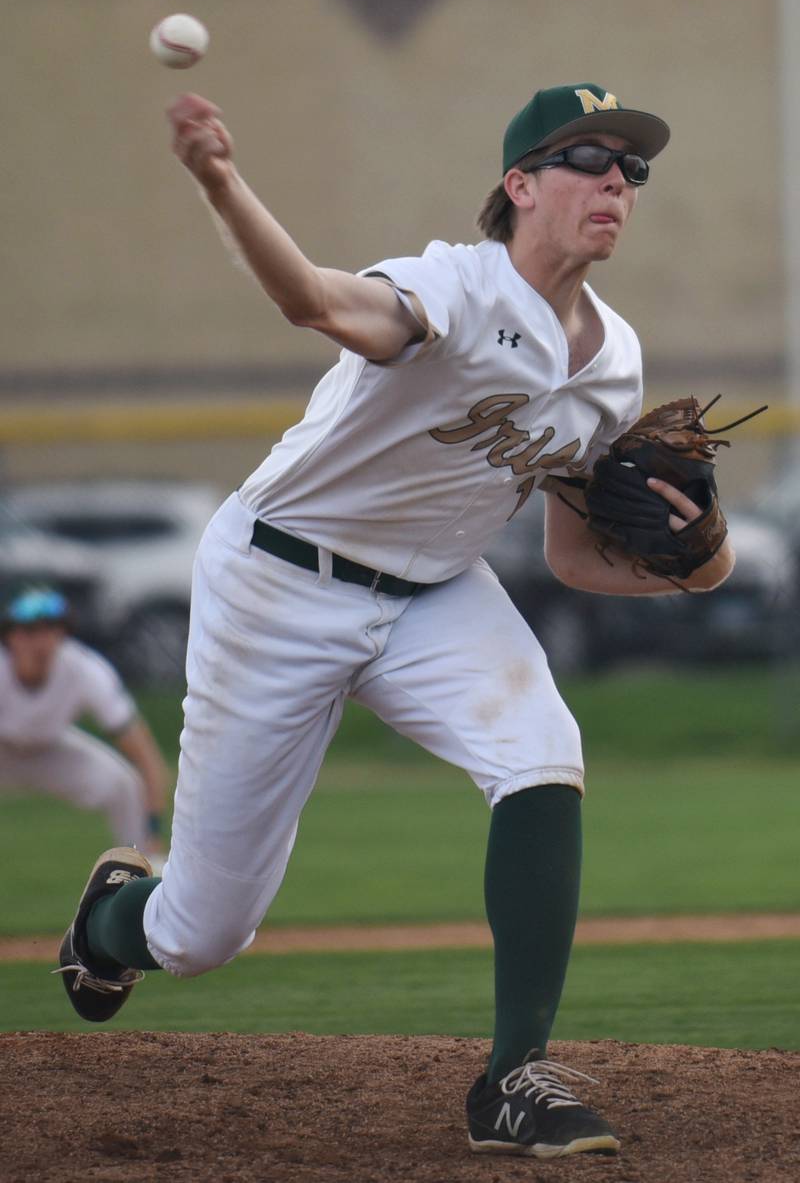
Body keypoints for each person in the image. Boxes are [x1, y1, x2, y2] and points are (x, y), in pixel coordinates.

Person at [54, 83, 734, 1157]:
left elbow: (570, 557)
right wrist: (220, 181)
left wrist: (701, 566)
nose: (615, 179)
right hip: (279, 581)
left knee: (541, 747)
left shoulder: (613, 365)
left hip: (437, 591)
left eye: (631, 168)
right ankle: (109, 923)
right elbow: (316, 303)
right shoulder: (448, 289)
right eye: (588, 157)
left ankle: (513, 1077)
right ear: (517, 187)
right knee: (200, 931)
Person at [1, 585, 169, 866]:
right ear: (11, 637)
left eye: (50, 629)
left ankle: (141, 868)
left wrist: (153, 829)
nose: (40, 641)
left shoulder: (83, 669)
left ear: (61, 635)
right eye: (29, 631)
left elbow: (143, 752)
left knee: (123, 785)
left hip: (51, 749)